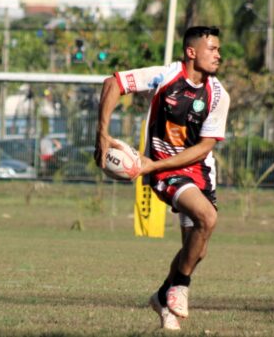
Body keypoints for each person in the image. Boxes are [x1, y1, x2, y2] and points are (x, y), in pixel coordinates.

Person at [94, 26, 230, 331]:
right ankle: (180, 287)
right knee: (207, 218)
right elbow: (112, 83)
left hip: (198, 170)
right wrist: (101, 135)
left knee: (198, 249)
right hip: (163, 170)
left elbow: (204, 148)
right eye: (213, 49)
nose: (219, 55)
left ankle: (160, 297)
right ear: (191, 52)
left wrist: (151, 166)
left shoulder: (219, 95)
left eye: (219, 49)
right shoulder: (164, 76)